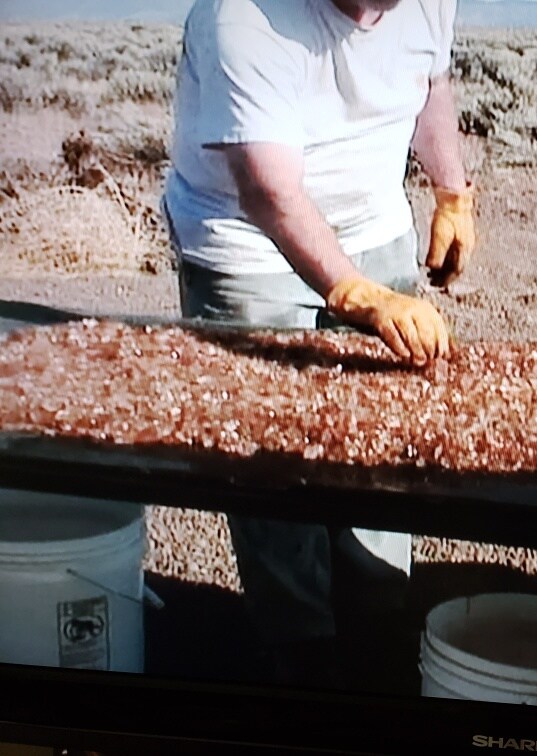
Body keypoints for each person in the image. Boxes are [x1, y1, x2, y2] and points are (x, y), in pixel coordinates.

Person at [160, 0, 476, 692]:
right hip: (246, 247)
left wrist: (453, 190)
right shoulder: (243, 15)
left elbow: (430, 79)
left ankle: (378, 624)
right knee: (271, 454)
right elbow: (267, 193)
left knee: (380, 442)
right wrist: (355, 294)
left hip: (373, 224)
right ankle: (302, 653)